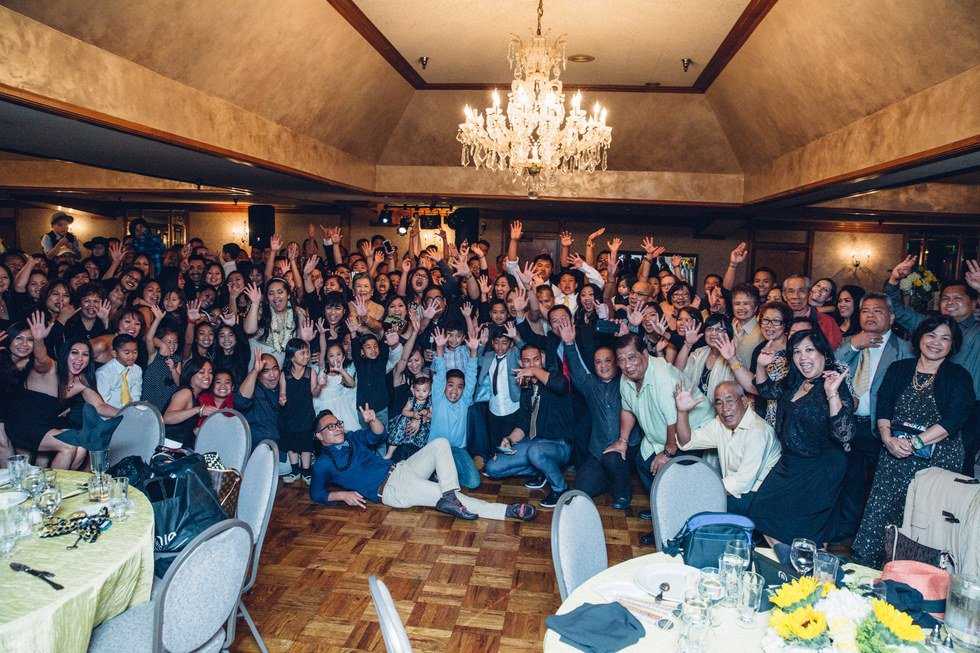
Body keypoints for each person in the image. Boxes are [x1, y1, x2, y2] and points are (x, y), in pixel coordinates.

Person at [852, 315, 974, 567]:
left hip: (936, 461)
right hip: (894, 454)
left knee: (921, 518)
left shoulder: (958, 376)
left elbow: (955, 419)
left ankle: (912, 575)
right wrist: (887, 438)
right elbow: (883, 406)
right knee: (881, 513)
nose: (936, 343)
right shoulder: (899, 369)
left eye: (945, 338)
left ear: (953, 345)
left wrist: (916, 443)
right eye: (931, 335)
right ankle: (867, 570)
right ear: (919, 338)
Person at [310, 405, 536, 522]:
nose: (337, 428)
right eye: (330, 427)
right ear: (319, 436)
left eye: (337, 423)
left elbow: (378, 434)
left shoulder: (352, 438)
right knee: (453, 496)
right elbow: (316, 493)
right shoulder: (323, 464)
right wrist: (342, 495)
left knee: (440, 443)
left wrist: (372, 420)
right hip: (392, 489)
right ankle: (507, 511)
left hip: (401, 468)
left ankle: (449, 496)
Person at [747, 329, 855, 545]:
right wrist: (760, 365)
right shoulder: (795, 381)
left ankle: (804, 564)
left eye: (809, 350)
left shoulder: (833, 384)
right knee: (762, 512)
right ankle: (788, 561)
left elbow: (844, 433)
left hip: (820, 468)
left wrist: (832, 393)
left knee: (805, 531)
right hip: (791, 462)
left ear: (824, 354)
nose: (803, 357)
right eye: (797, 352)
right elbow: (767, 391)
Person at [887, 256, 980, 476]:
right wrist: (893, 281)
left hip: (969, 410)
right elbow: (895, 309)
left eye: (958, 298)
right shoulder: (928, 326)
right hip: (925, 404)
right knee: (916, 463)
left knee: (958, 465)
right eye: (945, 298)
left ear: (973, 303)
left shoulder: (977, 331)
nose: (950, 302)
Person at [832, 292, 913, 541]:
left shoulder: (905, 348)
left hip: (882, 427)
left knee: (878, 486)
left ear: (891, 317)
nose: (870, 315)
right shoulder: (850, 342)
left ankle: (873, 537)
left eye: (878, 311)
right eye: (865, 310)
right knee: (849, 481)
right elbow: (829, 365)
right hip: (849, 424)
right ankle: (845, 536)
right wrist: (854, 345)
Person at [555, 315, 637, 510]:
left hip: (625, 449)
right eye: (598, 362)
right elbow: (576, 369)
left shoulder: (628, 381)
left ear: (616, 363)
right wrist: (569, 343)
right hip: (598, 450)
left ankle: (623, 492)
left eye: (608, 361)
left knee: (613, 459)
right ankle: (610, 478)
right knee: (582, 487)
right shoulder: (590, 385)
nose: (603, 365)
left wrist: (629, 333)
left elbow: (638, 360)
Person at [482, 343, 574, 509]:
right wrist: (509, 439)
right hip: (535, 444)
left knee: (535, 452)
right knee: (492, 467)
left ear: (542, 359)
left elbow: (562, 385)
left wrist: (533, 371)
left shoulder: (554, 377)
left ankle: (561, 489)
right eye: (527, 361)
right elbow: (523, 425)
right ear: (520, 363)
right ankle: (542, 470)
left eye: (536, 360)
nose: (532, 364)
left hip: (559, 445)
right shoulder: (527, 388)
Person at [674, 381, 781, 515]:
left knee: (695, 507)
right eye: (719, 403)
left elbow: (742, 483)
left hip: (759, 498)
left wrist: (702, 491)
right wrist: (682, 412)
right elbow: (687, 442)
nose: (725, 409)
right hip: (737, 493)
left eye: (730, 401)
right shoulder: (720, 424)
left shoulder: (758, 431)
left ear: (744, 401)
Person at [615, 332, 681, 544]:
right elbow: (627, 409)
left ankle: (670, 531)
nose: (627, 365)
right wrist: (623, 440)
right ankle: (660, 510)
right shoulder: (626, 378)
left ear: (644, 354)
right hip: (656, 437)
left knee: (668, 477)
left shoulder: (662, 376)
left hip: (684, 437)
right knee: (642, 463)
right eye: (621, 360)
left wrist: (668, 453)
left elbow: (674, 420)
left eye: (631, 357)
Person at [429, 325, 481, 489]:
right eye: (450, 385)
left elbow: (471, 376)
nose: (454, 391)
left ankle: (449, 472)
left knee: (473, 482)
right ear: (444, 386)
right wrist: (439, 348)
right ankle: (442, 473)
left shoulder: (465, 400)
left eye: (459, 387)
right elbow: (440, 373)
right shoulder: (438, 398)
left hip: (458, 449)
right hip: (435, 449)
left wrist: (473, 351)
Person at [279, 337, 323, 485]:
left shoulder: (311, 372)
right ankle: (295, 471)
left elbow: (315, 393)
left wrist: (320, 385)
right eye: (302, 353)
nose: (307, 356)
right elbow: (282, 393)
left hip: (306, 415)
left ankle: (306, 472)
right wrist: (282, 399)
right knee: (291, 444)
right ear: (292, 357)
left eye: (307, 352)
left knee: (306, 444)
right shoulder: (284, 374)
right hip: (289, 415)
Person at [782, 275, 843, 349]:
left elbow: (834, 351)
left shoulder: (828, 322)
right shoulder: (777, 320)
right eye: (791, 291)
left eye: (801, 291)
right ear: (784, 296)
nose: (796, 296)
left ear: (809, 293)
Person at [95, 333, 142, 409]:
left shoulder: (137, 369)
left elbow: (136, 394)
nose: (132, 356)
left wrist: (135, 409)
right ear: (114, 353)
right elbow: (104, 402)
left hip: (130, 411)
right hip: (110, 412)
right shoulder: (103, 373)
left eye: (135, 352)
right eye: (127, 353)